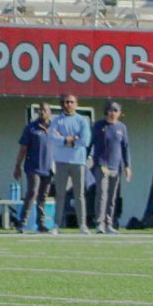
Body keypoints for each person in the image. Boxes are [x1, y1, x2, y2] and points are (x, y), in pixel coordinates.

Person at [51, 93, 91, 233]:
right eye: (66, 102)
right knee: (60, 194)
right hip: (61, 161)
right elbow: (52, 137)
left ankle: (82, 225)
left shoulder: (82, 120)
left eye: (71, 102)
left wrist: (67, 141)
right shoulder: (57, 120)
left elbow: (85, 140)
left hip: (78, 161)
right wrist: (68, 140)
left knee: (79, 194)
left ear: (76, 104)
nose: (68, 104)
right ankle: (56, 225)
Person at [88, 102, 129, 235]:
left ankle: (109, 223)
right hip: (102, 165)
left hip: (115, 166)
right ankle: (99, 224)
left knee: (112, 196)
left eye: (115, 110)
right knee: (102, 194)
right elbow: (90, 143)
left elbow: (125, 148)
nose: (112, 113)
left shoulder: (122, 127)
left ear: (119, 113)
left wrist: (127, 166)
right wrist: (86, 158)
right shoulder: (99, 126)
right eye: (110, 110)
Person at [15, 103, 56, 233]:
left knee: (43, 196)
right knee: (32, 192)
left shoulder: (54, 128)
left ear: (50, 112)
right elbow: (23, 148)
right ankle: (22, 222)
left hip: (48, 168)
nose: (42, 112)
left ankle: (41, 223)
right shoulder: (31, 128)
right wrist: (18, 166)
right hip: (33, 167)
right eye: (40, 110)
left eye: (45, 110)